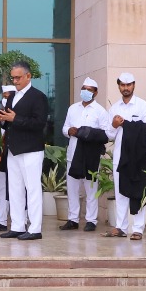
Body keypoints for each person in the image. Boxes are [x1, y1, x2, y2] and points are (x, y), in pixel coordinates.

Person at [0, 61, 49, 241]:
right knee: (15, 189)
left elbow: (39, 123)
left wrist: (15, 118)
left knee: (32, 189)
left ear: (28, 76)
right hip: (13, 149)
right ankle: (18, 225)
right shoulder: (12, 96)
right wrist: (3, 118)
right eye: (13, 77)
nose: (15, 80)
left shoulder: (38, 97)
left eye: (18, 77)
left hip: (31, 150)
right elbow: (10, 120)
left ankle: (35, 228)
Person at [105, 73, 146, 240]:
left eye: (128, 85)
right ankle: (120, 227)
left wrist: (127, 124)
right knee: (120, 191)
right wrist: (114, 125)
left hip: (138, 156)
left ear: (134, 85)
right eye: (122, 85)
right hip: (120, 155)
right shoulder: (114, 108)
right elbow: (109, 134)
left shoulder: (143, 106)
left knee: (139, 190)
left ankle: (138, 229)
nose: (125, 88)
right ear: (118, 86)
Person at [61, 77, 109, 231]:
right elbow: (65, 127)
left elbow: (106, 133)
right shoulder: (72, 108)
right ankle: (73, 219)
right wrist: (70, 131)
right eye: (84, 88)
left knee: (91, 188)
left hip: (91, 155)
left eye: (89, 89)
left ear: (95, 92)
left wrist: (87, 133)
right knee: (73, 188)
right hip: (73, 153)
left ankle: (91, 220)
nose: (86, 92)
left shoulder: (100, 111)